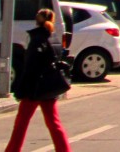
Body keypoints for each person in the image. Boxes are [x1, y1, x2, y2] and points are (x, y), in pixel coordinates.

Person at [4, 8, 71, 152]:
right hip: (49, 88)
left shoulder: (36, 39)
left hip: (33, 88)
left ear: (37, 20)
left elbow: (30, 67)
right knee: (54, 123)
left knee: (21, 123)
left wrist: (20, 90)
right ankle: (64, 150)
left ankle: (12, 150)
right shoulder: (54, 39)